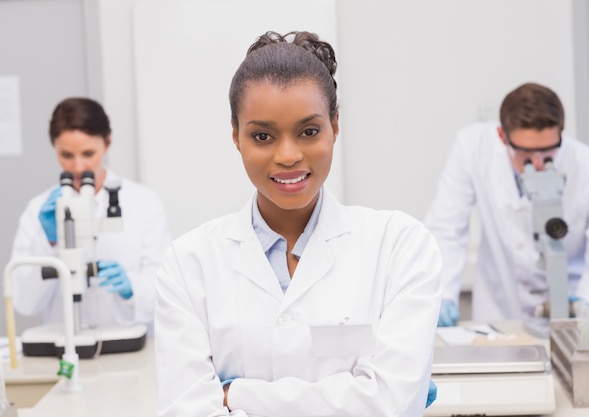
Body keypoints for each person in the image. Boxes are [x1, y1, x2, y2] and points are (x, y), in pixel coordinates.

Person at [154, 31, 442, 417]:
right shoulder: (188, 264)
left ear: (335, 126)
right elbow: (184, 410)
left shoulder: (400, 246)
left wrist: (236, 394)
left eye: (309, 132)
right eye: (262, 136)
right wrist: (352, 395)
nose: (288, 155)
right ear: (236, 136)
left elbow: (388, 405)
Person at [425, 82, 589, 326]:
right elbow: (447, 230)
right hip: (500, 310)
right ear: (502, 136)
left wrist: (588, 306)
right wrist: (441, 295)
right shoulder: (473, 149)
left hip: (571, 311)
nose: (539, 163)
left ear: (561, 133)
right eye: (526, 154)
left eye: (548, 151)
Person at [10, 97, 171, 328]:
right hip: (65, 347)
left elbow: (164, 290)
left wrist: (131, 287)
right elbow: (24, 303)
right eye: (66, 155)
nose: (77, 167)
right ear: (54, 148)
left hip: (129, 347)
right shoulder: (38, 209)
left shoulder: (144, 203)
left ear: (107, 143)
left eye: (88, 154)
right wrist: (48, 241)